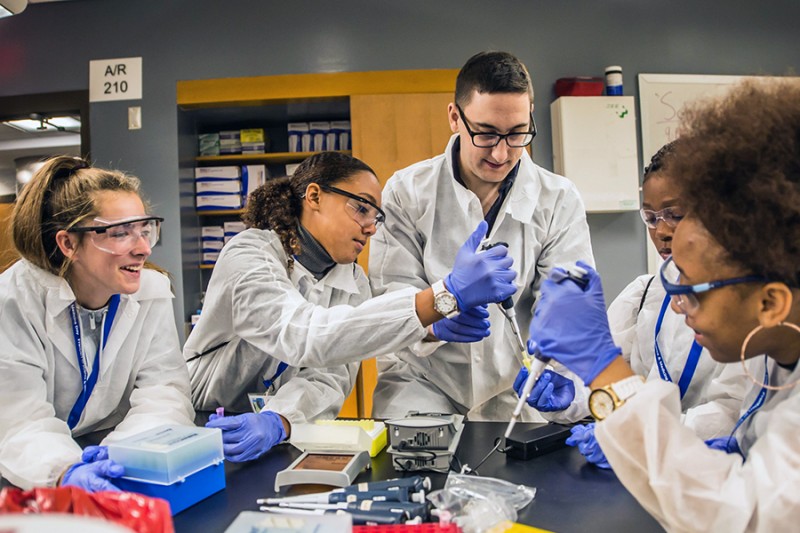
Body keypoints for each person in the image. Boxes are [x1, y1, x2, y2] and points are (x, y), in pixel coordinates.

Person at [527, 79, 800, 530]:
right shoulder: (777, 354)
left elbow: (742, 518)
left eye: (692, 289)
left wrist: (604, 368)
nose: (677, 306)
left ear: (770, 302)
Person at [184, 151, 517, 462]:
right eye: (361, 208)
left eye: (376, 216)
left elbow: (328, 378)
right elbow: (303, 335)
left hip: (276, 436)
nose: (371, 227)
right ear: (314, 196)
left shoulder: (354, 280)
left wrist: (279, 420)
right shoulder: (250, 253)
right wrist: (441, 297)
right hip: (203, 420)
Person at [369, 50, 594, 421]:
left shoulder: (558, 199)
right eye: (487, 133)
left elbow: (568, 302)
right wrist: (435, 319)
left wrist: (560, 366)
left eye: (518, 133)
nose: (502, 152)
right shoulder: (407, 192)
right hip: (423, 384)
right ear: (455, 117)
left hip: (515, 390)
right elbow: (390, 296)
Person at [0, 156, 194, 492]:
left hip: (111, 451)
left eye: (145, 230)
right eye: (121, 233)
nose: (144, 249)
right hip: (28, 470)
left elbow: (164, 391)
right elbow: (18, 419)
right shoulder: (14, 300)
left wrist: (124, 456)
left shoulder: (150, 292)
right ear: (69, 243)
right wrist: (64, 470)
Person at [566, 141, 753, 468]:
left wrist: (641, 436)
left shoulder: (747, 303)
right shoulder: (645, 294)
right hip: (647, 470)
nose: (662, 231)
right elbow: (624, 388)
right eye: (651, 218)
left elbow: (732, 410)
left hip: (704, 468)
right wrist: (571, 394)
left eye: (675, 215)